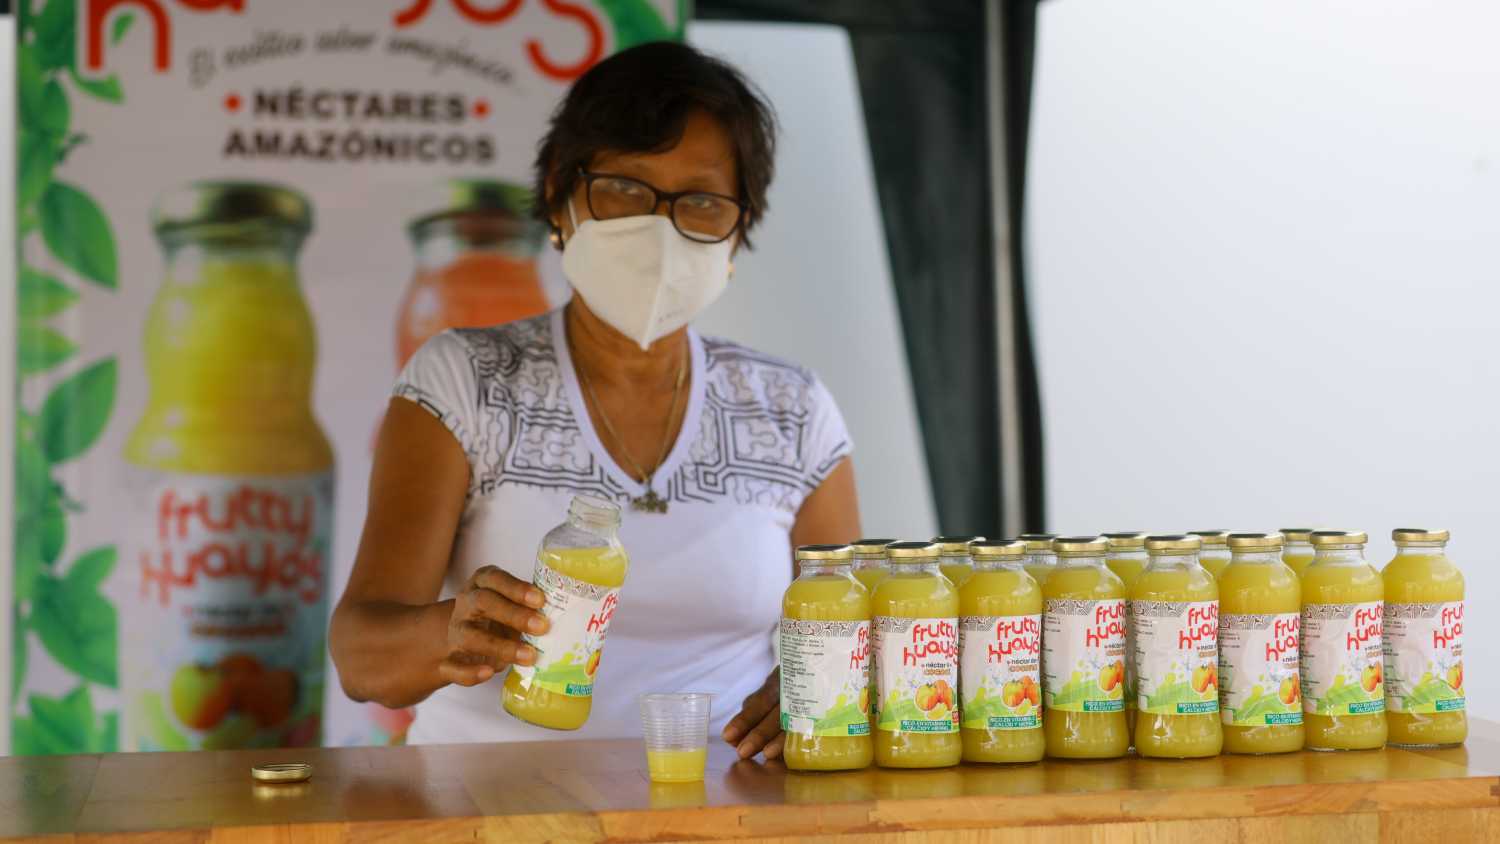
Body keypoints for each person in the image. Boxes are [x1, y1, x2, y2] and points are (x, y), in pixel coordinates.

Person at [330, 42, 860, 761]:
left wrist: (819, 686)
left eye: (700, 202)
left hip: (723, 811)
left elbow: (856, 632)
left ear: (738, 230)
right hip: (489, 809)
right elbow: (363, 659)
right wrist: (446, 632)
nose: (658, 230)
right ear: (560, 195)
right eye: (624, 190)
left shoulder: (792, 413)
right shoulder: (465, 383)